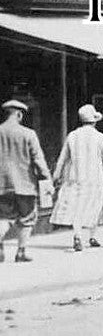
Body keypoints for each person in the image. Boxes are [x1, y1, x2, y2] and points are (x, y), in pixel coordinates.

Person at [51, 104, 103, 251]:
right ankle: (92, 236)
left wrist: (56, 176)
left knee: (78, 207)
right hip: (94, 177)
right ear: (94, 121)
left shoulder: (72, 136)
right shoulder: (99, 137)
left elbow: (62, 159)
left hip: (75, 177)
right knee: (95, 205)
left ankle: (78, 235)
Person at [0, 99, 52, 263]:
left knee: (4, 218)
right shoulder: (28, 134)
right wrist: (46, 178)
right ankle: (21, 252)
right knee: (27, 218)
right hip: (25, 184)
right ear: (19, 114)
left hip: (2, 185)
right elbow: (38, 159)